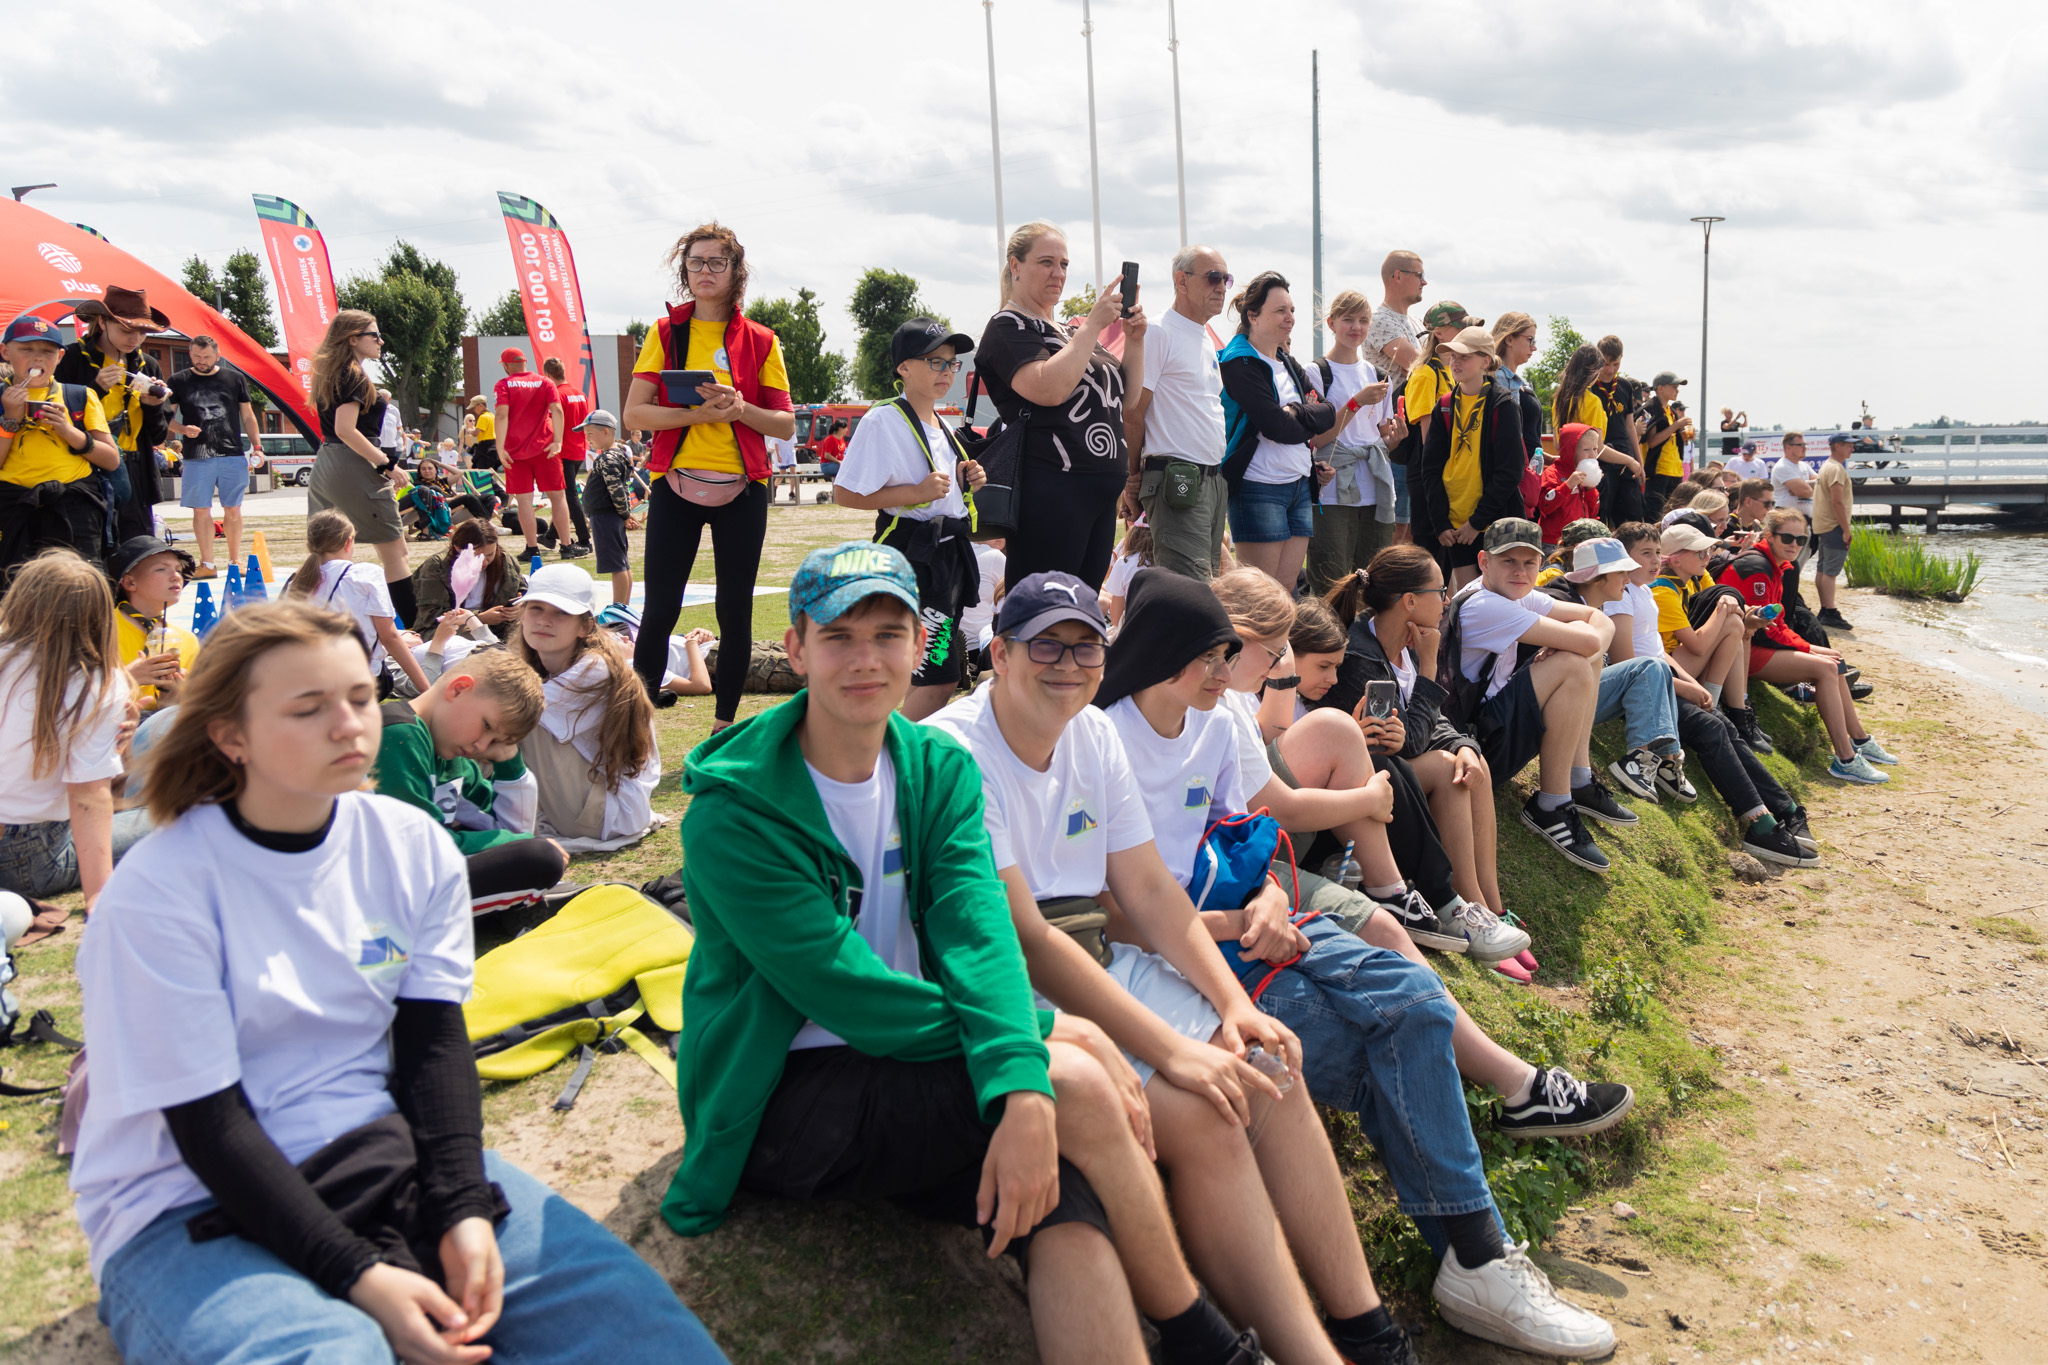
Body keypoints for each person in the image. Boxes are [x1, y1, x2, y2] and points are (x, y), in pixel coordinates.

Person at [70, 602, 726, 1365]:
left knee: (648, 1339)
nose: (351, 725)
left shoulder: (409, 845)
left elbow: (432, 1042)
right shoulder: (157, 894)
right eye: (309, 707)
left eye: (358, 696)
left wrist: (464, 1206)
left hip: (381, 1153)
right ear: (229, 733)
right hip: (185, 1201)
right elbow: (208, 1123)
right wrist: (358, 1272)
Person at [664, 542, 1266, 1365]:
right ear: (795, 649)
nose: (866, 658)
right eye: (838, 636)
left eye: (888, 634)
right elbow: (843, 990)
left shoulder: (935, 769)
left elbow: (976, 931)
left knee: (1066, 1203)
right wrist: (1036, 1044)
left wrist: (1018, 1066)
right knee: (1073, 1080)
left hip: (916, 1066)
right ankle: (1208, 1343)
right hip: (788, 1092)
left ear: (922, 646)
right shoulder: (735, 810)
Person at [1089, 568, 1619, 1359]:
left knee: (1422, 1002)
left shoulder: (1214, 721)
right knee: (1366, 1057)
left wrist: (1270, 895)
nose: (1240, 671)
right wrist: (1245, 915)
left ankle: (1462, 1267)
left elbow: (1249, 837)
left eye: (1239, 654)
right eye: (1227, 654)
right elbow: (1119, 909)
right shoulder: (1105, 738)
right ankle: (1472, 1260)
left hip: (1254, 925)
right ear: (1170, 652)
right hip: (1192, 952)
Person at [622, 222, 795, 724]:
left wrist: (740, 408)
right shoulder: (664, 332)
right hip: (674, 484)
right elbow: (634, 414)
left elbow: (784, 423)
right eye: (695, 262)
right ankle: (634, 727)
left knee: (734, 610)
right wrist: (697, 415)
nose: (705, 271)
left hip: (744, 489)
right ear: (684, 270)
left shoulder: (762, 340)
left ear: (736, 271)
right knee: (659, 610)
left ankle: (723, 726)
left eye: (717, 262)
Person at [1594, 536, 1819, 867]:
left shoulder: (1644, 592)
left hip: (1662, 679)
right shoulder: (1621, 599)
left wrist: (1689, 682)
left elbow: (1658, 652)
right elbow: (1630, 667)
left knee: (1723, 724)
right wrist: (1685, 689)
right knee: (1710, 728)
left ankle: (1784, 807)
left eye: (1658, 552)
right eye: (1647, 553)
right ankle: (1758, 822)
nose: (1657, 560)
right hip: (1645, 692)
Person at [1445, 519, 1623, 872]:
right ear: (1483, 561)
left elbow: (1599, 619)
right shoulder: (1486, 604)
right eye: (1508, 561)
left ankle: (1577, 778)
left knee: (1577, 656)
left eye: (1529, 563)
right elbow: (1593, 638)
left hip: (1486, 725)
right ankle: (1551, 805)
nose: (1520, 571)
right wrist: (1577, 643)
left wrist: (1578, 641)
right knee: (1573, 664)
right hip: (1471, 747)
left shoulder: (1515, 593)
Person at [833, 317, 987, 720]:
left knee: (932, 672)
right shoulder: (883, 419)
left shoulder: (943, 424)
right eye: (935, 362)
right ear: (904, 367)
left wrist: (968, 480)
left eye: (952, 363)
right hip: (914, 557)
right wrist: (914, 494)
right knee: (937, 676)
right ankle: (892, 750)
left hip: (949, 558)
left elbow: (942, 495)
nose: (947, 371)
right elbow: (844, 494)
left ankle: (889, 746)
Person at [977, 221, 1144, 591]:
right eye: (1046, 262)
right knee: (1043, 603)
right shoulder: (1008, 326)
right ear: (1016, 265)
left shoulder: (1070, 332)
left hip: (1099, 492)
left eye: (1064, 264)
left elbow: (1127, 401)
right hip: (1053, 486)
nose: (1058, 273)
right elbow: (1048, 389)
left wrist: (1134, 341)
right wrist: (1093, 326)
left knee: (1080, 607)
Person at [371, 642, 569, 915]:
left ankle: (515, 902)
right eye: (487, 726)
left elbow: (509, 830)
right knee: (539, 858)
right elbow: (418, 849)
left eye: (496, 741)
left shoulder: (452, 757)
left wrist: (509, 762)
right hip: (370, 894)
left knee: (535, 858)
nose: (482, 746)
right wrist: (520, 845)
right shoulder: (397, 734)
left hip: (410, 884)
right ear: (459, 689)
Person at [0, 551, 147, 903]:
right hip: (32, 853)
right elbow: (87, 795)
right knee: (190, 817)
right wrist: (98, 893)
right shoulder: (94, 684)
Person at [1717, 508, 1896, 784]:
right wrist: (1807, 649)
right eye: (1787, 538)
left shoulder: (1776, 565)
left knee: (1835, 660)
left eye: (1801, 540)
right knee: (1826, 668)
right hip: (1738, 651)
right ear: (1769, 536)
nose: (1794, 545)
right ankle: (1845, 759)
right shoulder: (1757, 568)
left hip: (1752, 642)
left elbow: (1777, 624)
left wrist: (1806, 647)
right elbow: (1762, 629)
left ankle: (1859, 739)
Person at [512, 564, 660, 846]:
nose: (544, 621)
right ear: (522, 615)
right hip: (593, 803)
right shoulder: (548, 667)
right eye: (536, 609)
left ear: (585, 626)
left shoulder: (595, 669)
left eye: (561, 613)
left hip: (608, 813)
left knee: (514, 719)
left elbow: (506, 709)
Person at [1122, 244, 1231, 578]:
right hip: (1178, 477)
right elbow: (1133, 411)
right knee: (1189, 589)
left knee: (1206, 587)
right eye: (1213, 277)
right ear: (1181, 281)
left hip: (1210, 479)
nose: (1222, 287)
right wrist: (1132, 477)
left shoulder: (1203, 336)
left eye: (1226, 279)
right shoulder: (1158, 331)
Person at [1218, 271, 1331, 590]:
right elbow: (1275, 427)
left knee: (1286, 592)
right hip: (1258, 487)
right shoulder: (1239, 362)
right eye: (1280, 310)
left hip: (1298, 485)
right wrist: (1303, 416)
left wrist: (1295, 411)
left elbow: (1328, 412)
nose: (1290, 318)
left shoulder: (1286, 360)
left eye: (1292, 310)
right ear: (1253, 315)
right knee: (1259, 595)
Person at [305, 310, 419, 629]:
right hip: (351, 462)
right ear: (353, 339)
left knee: (328, 552)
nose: (381, 341)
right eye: (375, 335)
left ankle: (316, 624)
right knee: (395, 552)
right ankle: (413, 629)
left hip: (328, 462)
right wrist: (386, 463)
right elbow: (346, 429)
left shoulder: (333, 371)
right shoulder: (352, 374)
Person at [0, 315, 120, 584]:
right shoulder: (2, 398)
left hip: (73, 506)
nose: (37, 358)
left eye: (47, 351)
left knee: (79, 588)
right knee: (14, 589)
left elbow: (111, 460)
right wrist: (9, 419)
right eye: (26, 349)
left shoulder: (79, 395)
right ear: (5, 352)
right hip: (13, 507)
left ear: (60, 356)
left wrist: (68, 431)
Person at [57, 286, 172, 544]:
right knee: (91, 545)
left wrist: (152, 406)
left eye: (142, 332)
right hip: (86, 468)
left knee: (136, 548)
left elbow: (158, 436)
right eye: (126, 330)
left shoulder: (148, 364)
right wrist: (95, 389)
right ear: (102, 322)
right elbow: (57, 421)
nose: (135, 339)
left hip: (136, 469)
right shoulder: (71, 358)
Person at [1304, 290, 1401, 594]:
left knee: (1373, 580)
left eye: (1363, 320)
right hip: (1332, 490)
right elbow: (1317, 438)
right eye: (1348, 319)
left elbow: (1381, 438)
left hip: (1375, 489)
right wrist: (1356, 402)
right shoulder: (1315, 372)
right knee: (1331, 579)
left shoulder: (1378, 375)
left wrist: (1395, 439)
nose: (1356, 327)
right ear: (1331, 323)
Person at [1418, 327, 1528, 591]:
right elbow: (1430, 468)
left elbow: (1510, 472)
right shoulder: (1445, 405)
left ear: (1485, 361)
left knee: (1502, 596)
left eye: (1464, 356)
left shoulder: (1503, 405)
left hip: (1494, 522)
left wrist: (1477, 522)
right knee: (1471, 598)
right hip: (1455, 525)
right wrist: (1441, 523)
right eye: (1453, 356)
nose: (1455, 362)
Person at [287, 510, 430, 695]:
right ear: (348, 542)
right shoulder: (365, 574)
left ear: (309, 544)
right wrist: (426, 689)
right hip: (360, 680)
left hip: (309, 681)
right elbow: (389, 637)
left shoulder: (294, 583)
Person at [164, 335, 263, 579]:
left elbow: (248, 416)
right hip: (196, 456)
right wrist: (182, 429)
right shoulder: (178, 380)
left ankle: (235, 561)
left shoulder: (234, 378)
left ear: (218, 356)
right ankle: (207, 564)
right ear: (190, 354)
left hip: (232, 453)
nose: (201, 361)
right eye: (196, 356)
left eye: (207, 357)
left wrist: (257, 446)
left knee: (233, 509)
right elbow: (165, 418)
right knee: (200, 510)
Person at [1363, 251, 1427, 543]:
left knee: (1412, 527)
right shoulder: (1380, 319)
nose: (1424, 282)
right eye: (1419, 275)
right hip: (1393, 435)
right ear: (1397, 276)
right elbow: (1419, 366)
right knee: (1396, 529)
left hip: (1410, 432)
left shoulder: (1414, 322)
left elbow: (1429, 369)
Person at [494, 347, 579, 560]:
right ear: (524, 362)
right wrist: (558, 441)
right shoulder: (545, 382)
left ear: (506, 366)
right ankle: (567, 546)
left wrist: (500, 447)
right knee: (558, 498)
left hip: (515, 452)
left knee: (524, 501)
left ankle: (532, 548)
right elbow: (557, 410)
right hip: (546, 448)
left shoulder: (504, 384)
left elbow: (502, 415)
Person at [1549, 345, 1642, 528]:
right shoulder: (1592, 402)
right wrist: (1630, 460)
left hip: (1565, 474)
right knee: (1597, 525)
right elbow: (1598, 449)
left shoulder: (1559, 399)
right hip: (1589, 476)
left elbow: (1558, 444)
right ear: (1592, 372)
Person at [106, 536, 199, 714]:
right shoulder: (102, 629)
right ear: (130, 582)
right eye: (161, 569)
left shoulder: (186, 640)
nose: (176, 576)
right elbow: (75, 695)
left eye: (178, 570)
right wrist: (127, 679)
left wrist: (174, 701)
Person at [411, 517, 527, 642]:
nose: (484, 561)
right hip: (449, 630)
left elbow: (523, 590)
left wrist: (521, 605)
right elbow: (431, 616)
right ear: (458, 548)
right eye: (477, 556)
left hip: (499, 628)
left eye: (490, 555)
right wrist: (478, 619)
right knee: (465, 639)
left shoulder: (504, 561)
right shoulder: (437, 566)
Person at [578, 409, 639, 606]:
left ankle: (619, 607)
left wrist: (625, 514)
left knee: (617, 565)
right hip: (610, 516)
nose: (587, 438)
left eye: (590, 433)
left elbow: (617, 489)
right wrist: (625, 513)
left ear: (605, 431)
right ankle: (623, 605)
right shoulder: (616, 455)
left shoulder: (608, 459)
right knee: (621, 562)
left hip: (606, 516)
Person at [541, 356, 595, 553]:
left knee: (568, 496)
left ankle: (584, 539)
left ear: (547, 375)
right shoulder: (579, 393)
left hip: (563, 451)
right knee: (566, 495)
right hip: (579, 449)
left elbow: (550, 424)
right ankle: (550, 536)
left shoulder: (557, 395)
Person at [1810, 432, 1857, 630]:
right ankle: (1829, 610)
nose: (1852, 448)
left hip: (1823, 525)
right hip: (1834, 525)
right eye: (1848, 445)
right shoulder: (1836, 469)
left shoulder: (1827, 466)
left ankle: (1824, 609)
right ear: (1837, 446)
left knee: (1823, 568)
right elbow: (1837, 501)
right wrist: (1846, 529)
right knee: (1830, 572)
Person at [1536, 424, 1601, 551]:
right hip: (1554, 543)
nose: (1592, 455)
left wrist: (1590, 489)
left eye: (1595, 449)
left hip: (1580, 542)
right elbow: (1545, 506)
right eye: (1586, 450)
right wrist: (1568, 485)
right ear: (1571, 450)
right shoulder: (1553, 473)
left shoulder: (1586, 473)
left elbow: (1594, 512)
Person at [1638, 371, 1689, 519]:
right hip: (1658, 470)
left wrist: (1683, 436)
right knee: (1655, 515)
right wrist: (1676, 426)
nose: (1677, 390)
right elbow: (1652, 442)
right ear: (1660, 388)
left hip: (1675, 470)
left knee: (1672, 515)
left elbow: (1670, 436)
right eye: (1673, 386)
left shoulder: (1670, 410)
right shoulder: (1651, 408)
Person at [1770, 432, 1815, 520]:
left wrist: (1806, 484)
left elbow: (1823, 483)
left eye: (1805, 444)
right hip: (1787, 518)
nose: (1805, 448)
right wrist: (1813, 487)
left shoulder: (1804, 465)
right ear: (1788, 447)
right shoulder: (1783, 466)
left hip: (1805, 519)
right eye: (1800, 445)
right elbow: (1805, 492)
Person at [465, 393, 498, 470]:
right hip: (494, 445)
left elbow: (476, 433)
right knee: (490, 471)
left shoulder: (483, 417)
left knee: (482, 471)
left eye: (474, 407)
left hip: (485, 447)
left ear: (480, 405)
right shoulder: (492, 416)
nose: (473, 410)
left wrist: (470, 430)